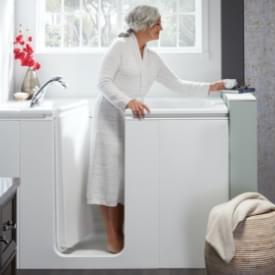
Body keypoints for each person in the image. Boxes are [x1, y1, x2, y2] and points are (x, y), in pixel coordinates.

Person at [87, 5, 225, 253]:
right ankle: (112, 236)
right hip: (110, 117)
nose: (162, 28)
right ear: (144, 25)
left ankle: (123, 234)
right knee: (109, 177)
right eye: (158, 24)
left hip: (132, 121)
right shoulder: (119, 47)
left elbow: (177, 84)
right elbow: (103, 82)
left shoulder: (151, 58)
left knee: (125, 178)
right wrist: (127, 101)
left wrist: (210, 87)